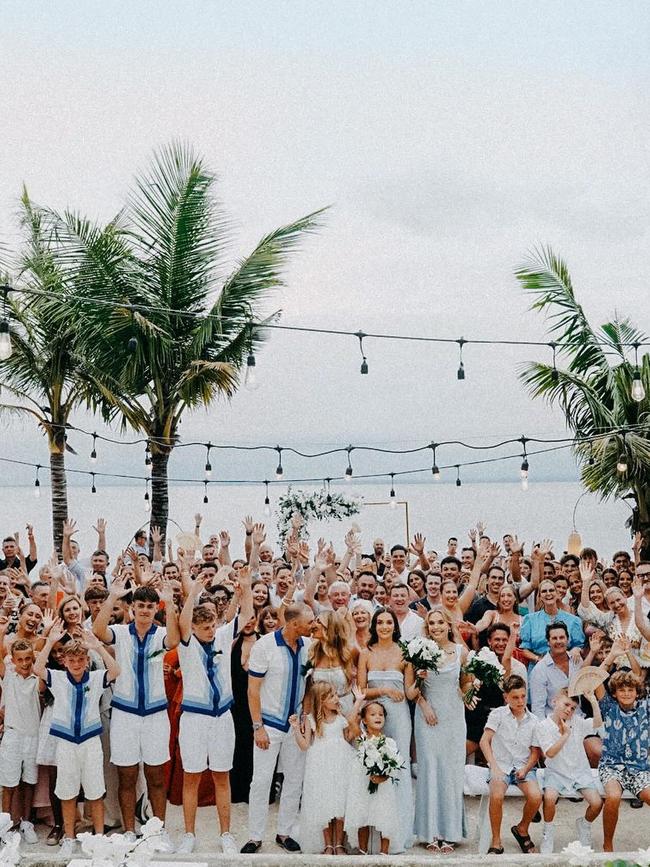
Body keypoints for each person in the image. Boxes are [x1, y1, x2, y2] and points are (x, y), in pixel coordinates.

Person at [93, 575, 180, 849]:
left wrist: (171, 601)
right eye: (139, 605)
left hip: (155, 715)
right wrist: (113, 596)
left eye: (149, 606)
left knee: (156, 777)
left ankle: (157, 830)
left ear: (156, 609)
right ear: (132, 608)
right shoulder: (120, 633)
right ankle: (130, 830)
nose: (144, 610)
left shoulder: (162, 634)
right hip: (125, 715)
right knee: (127, 777)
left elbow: (176, 639)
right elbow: (97, 631)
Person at [175, 567, 253, 855]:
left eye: (212, 627)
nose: (210, 632)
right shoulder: (186, 645)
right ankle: (188, 834)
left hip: (222, 717)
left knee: (222, 775)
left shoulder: (221, 637)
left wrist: (244, 588)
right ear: (194, 629)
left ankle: (226, 834)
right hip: (194, 719)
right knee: (192, 777)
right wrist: (193, 591)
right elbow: (183, 621)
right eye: (204, 628)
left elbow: (244, 617)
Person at [33, 622, 120, 860]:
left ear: (86, 660)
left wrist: (97, 647)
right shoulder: (58, 678)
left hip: (90, 742)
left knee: (95, 791)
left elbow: (115, 671)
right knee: (67, 791)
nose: (77, 664)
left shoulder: (95, 678)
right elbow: (38, 667)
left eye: (81, 660)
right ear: (64, 661)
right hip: (67, 743)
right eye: (72, 660)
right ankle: (69, 838)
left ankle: (100, 838)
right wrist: (50, 641)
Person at [241, 603, 315, 854]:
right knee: (261, 781)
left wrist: (304, 717)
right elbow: (252, 689)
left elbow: (310, 684)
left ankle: (284, 832)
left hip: (295, 725)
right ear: (294, 624)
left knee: (294, 780)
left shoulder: (309, 646)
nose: (313, 625)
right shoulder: (265, 646)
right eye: (309, 621)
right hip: (269, 724)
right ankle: (254, 836)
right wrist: (257, 726)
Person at [409, 609, 472, 853]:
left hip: (454, 718)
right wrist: (424, 705)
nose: (435, 627)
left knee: (450, 772)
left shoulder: (461, 653)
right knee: (429, 770)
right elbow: (411, 692)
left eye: (440, 622)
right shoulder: (418, 651)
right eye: (431, 623)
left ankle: (451, 832)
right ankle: (430, 831)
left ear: (449, 625)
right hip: (427, 717)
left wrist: (470, 692)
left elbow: (465, 685)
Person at [357, 607, 415, 853]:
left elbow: (410, 691)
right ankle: (370, 837)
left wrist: (420, 679)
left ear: (395, 626)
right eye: (379, 622)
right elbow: (360, 690)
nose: (384, 627)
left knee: (397, 770)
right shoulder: (365, 653)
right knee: (370, 767)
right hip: (372, 714)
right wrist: (382, 691)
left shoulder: (405, 653)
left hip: (399, 715)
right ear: (374, 626)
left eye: (388, 622)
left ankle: (395, 835)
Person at [291, 681, 362, 853]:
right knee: (323, 803)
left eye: (336, 694)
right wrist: (295, 729)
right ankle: (328, 844)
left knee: (339, 802)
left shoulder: (341, 717)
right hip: (320, 764)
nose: (337, 698)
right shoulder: (311, 720)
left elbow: (349, 735)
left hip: (340, 763)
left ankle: (339, 843)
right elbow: (305, 745)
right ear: (321, 700)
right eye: (332, 696)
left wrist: (358, 701)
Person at [480, 675, 542, 855]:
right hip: (501, 764)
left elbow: (535, 751)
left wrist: (526, 768)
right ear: (506, 697)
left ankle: (522, 829)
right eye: (515, 697)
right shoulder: (497, 714)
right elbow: (485, 741)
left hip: (524, 765)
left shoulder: (534, 720)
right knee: (497, 795)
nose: (520, 701)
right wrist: (494, 767)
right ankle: (496, 841)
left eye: (523, 696)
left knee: (536, 796)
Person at [535, 688, 603, 854]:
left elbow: (597, 724)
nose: (568, 710)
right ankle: (548, 832)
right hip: (556, 772)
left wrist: (593, 701)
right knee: (549, 798)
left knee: (596, 803)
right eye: (566, 704)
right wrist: (565, 735)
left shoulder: (577, 721)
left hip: (579, 772)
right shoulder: (543, 726)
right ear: (554, 702)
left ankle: (584, 824)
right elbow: (549, 753)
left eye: (573, 708)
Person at [595, 665, 650, 851]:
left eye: (630, 690)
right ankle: (608, 844)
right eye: (621, 690)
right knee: (613, 797)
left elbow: (638, 673)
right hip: (612, 766)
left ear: (637, 692)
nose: (626, 693)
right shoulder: (608, 707)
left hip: (639, 767)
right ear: (615, 693)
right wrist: (611, 656)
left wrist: (628, 653)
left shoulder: (645, 707)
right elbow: (595, 679)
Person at [0, 630, 42, 845]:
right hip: (13, 736)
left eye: (28, 658)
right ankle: (5, 826)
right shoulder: (8, 675)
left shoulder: (38, 678)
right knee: (8, 784)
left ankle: (26, 823)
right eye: (20, 659)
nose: (24, 663)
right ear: (13, 660)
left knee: (29, 783)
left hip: (34, 736)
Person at [343, 701, 401, 855]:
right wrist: (359, 701)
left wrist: (383, 777)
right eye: (373, 714)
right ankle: (363, 851)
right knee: (363, 815)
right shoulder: (362, 738)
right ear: (364, 720)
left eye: (381, 714)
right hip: (363, 784)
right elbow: (350, 720)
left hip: (383, 787)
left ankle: (384, 852)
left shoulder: (389, 742)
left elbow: (394, 766)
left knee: (384, 815)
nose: (378, 717)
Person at [465, 623, 527, 760]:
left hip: (496, 714)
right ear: (489, 641)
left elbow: (506, 658)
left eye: (504, 640)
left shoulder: (507, 667)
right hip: (476, 713)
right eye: (497, 640)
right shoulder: (481, 658)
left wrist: (513, 634)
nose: (501, 643)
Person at [519, 579, 584, 666]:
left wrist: (576, 649)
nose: (548, 593)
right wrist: (537, 659)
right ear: (540, 596)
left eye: (551, 590)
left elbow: (579, 645)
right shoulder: (530, 619)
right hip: (539, 665)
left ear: (557, 594)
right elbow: (524, 649)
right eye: (544, 591)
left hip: (566, 664)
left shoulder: (573, 620)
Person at [529, 622, 584, 720]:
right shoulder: (539, 670)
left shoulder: (577, 660)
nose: (558, 641)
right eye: (554, 638)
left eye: (562, 637)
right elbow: (538, 708)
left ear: (568, 640)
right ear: (548, 642)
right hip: (554, 724)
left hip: (578, 719)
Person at [307, 609, 357, 714]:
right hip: (320, 712)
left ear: (329, 627)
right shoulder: (311, 652)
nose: (313, 625)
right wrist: (305, 714)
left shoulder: (349, 651)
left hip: (346, 709)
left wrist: (356, 714)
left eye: (318, 621)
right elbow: (306, 689)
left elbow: (360, 685)